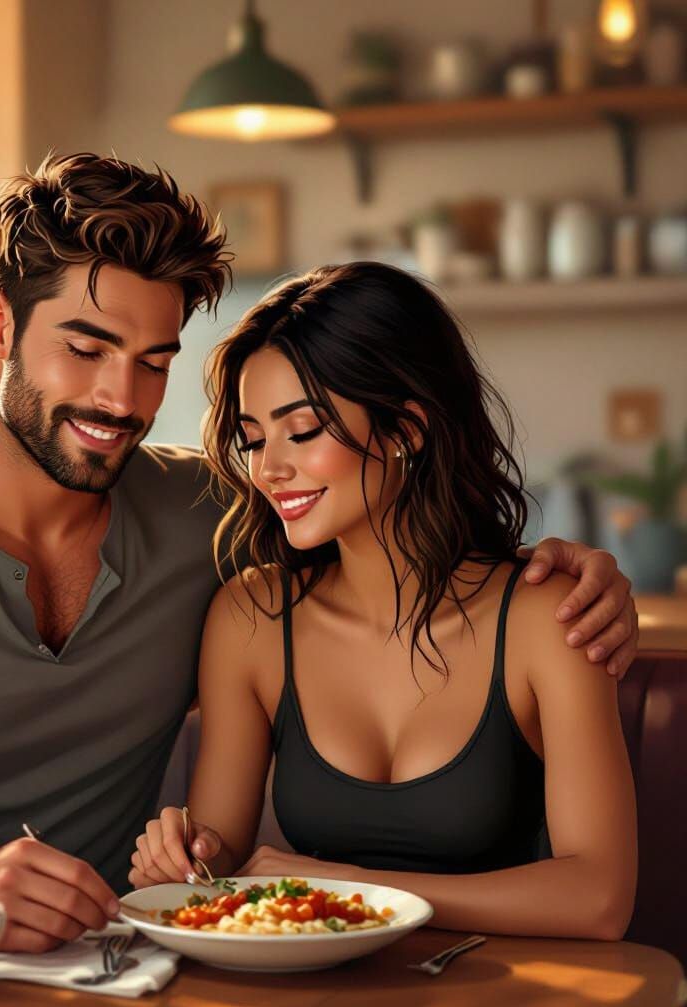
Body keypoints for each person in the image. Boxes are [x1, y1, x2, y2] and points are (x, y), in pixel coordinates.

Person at [0, 154, 639, 954]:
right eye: (86, 348)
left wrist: (572, 571)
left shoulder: (214, 513)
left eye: (154, 360)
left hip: (110, 966)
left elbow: (387, 521)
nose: (123, 398)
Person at [130, 263, 637, 940]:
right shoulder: (251, 621)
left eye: (302, 430)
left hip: (499, 998)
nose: (269, 468)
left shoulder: (544, 618)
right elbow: (220, 857)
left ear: (406, 429)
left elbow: (598, 898)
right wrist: (184, 859)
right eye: (253, 438)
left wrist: (347, 888)